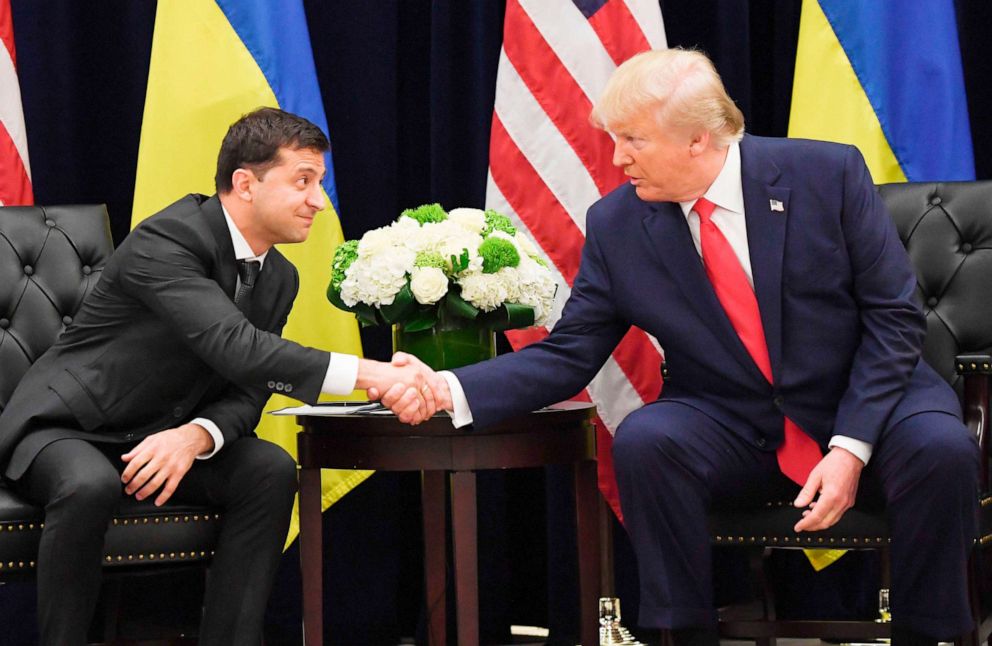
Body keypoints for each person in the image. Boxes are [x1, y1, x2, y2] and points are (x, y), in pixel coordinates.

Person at [389, 50, 980, 645]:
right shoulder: (618, 224)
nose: (617, 158)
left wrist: (850, 447)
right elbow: (569, 352)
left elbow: (894, 319)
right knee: (649, 441)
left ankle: (927, 635)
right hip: (732, 422)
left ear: (699, 138)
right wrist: (449, 387)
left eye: (633, 140)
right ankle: (681, 635)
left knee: (942, 448)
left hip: (869, 405)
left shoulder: (826, 175)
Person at [0, 107, 434, 646]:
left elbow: (250, 388)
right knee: (89, 484)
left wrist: (197, 435)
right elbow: (236, 345)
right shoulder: (167, 238)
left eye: (319, 183)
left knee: (269, 468)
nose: (318, 201)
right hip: (66, 425)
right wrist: (372, 374)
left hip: (163, 433)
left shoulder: (279, 277)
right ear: (245, 183)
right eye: (303, 180)